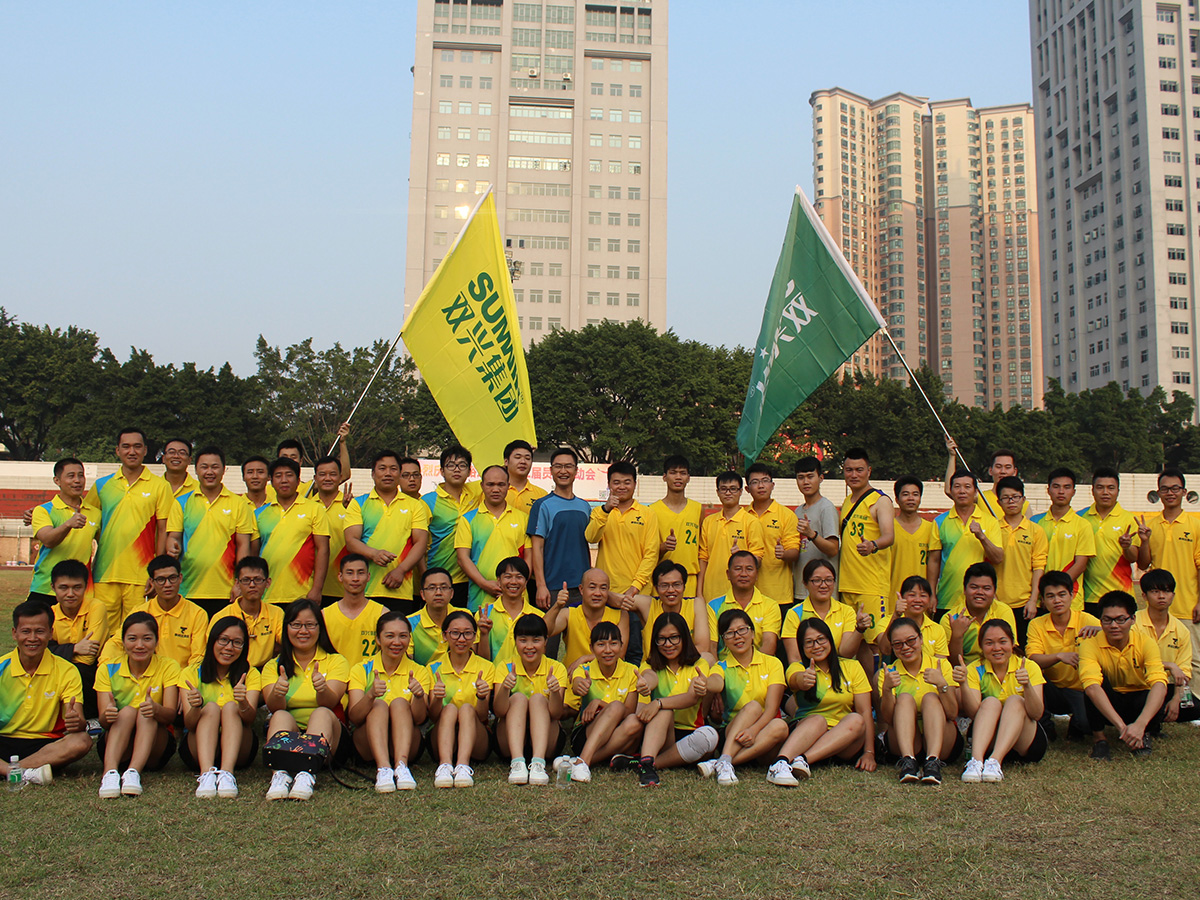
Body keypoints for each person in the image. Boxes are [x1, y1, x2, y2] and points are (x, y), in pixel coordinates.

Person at [85, 428, 177, 635]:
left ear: (145, 450)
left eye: (137, 446)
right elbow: (85, 520)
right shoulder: (101, 486)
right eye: (126, 446)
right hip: (104, 573)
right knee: (102, 633)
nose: (132, 451)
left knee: (138, 633)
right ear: (117, 450)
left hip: (141, 576)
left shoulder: (160, 486)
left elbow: (163, 529)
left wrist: (156, 572)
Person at [260, 599, 350, 800]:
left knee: (321, 712)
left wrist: (322, 689)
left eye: (310, 625)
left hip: (329, 739)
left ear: (320, 628)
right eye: (296, 625)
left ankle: (306, 774)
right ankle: (280, 774)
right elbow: (273, 707)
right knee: (280, 715)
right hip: (291, 735)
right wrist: (277, 692)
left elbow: (330, 703)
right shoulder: (273, 666)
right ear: (286, 628)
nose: (303, 631)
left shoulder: (336, 661)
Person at [0, 601, 91, 787]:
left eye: (40, 631)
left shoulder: (66, 670)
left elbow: (78, 722)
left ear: (50, 633)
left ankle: (12, 771)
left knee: (81, 741)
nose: (32, 638)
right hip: (4, 740)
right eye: (26, 631)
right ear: (14, 633)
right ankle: (23, 772)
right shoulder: (2, 667)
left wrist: (76, 721)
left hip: (45, 745)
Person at [624, 612, 718, 787]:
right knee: (664, 711)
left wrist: (658, 702)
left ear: (684, 638)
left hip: (689, 733)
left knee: (710, 736)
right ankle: (647, 764)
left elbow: (691, 698)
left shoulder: (699, 664)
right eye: (662, 639)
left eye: (674, 638)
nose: (668, 644)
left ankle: (645, 763)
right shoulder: (649, 665)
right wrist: (646, 685)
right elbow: (650, 677)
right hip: (660, 735)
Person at [775, 618, 875, 780]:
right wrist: (804, 679)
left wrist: (869, 752)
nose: (816, 646)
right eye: (809, 642)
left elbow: (865, 711)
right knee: (818, 720)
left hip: (842, 739)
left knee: (857, 719)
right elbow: (795, 679)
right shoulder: (797, 667)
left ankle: (802, 760)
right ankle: (780, 764)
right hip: (807, 734)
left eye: (821, 639)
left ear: (830, 639)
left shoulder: (852, 667)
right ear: (801, 647)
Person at [95, 612, 180, 798]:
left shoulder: (168, 666)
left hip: (155, 747)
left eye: (147, 639)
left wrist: (156, 709)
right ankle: (110, 773)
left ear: (156, 641)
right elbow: (103, 722)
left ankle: (133, 773)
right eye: (132, 639)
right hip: (117, 745)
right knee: (126, 712)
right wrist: (108, 714)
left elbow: (170, 715)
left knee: (145, 712)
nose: (139, 645)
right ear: (123, 642)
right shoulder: (107, 669)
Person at [347, 612, 433, 792]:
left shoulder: (419, 671)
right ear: (378, 639)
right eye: (389, 636)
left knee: (400, 703)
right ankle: (384, 768)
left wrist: (418, 697)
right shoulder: (361, 669)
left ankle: (401, 766)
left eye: (403, 636)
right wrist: (370, 695)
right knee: (378, 704)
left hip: (407, 744)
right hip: (368, 745)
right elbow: (354, 717)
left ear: (409, 639)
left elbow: (419, 719)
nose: (396, 642)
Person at [1079, 591, 1169, 759]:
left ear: (1133, 619)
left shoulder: (1146, 643)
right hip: (1111, 700)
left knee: (1157, 689)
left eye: (1121, 619)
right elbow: (1092, 687)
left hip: (1137, 699)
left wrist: (1140, 724)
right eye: (1107, 620)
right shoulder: (1089, 645)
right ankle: (1100, 739)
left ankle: (1144, 733)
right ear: (1100, 621)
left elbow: (1159, 683)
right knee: (1092, 687)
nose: (1114, 626)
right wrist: (1122, 728)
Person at [179, 617, 260, 799]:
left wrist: (243, 702)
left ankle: (227, 773)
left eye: (237, 642)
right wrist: (196, 707)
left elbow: (250, 719)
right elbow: (189, 724)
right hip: (199, 746)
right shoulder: (191, 672)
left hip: (239, 748)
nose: (229, 647)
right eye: (223, 640)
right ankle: (206, 774)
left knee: (231, 707)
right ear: (212, 641)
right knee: (211, 708)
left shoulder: (250, 674)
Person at [705, 610, 789, 786]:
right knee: (753, 707)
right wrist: (705, 683)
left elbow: (772, 708)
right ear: (724, 640)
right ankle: (726, 758)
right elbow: (715, 681)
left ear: (752, 633)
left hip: (764, 733)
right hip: (733, 733)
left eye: (742, 630)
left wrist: (754, 730)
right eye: (730, 633)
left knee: (780, 726)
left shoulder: (772, 663)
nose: (737, 636)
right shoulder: (721, 666)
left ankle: (723, 762)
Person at [585, 462, 657, 664]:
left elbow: (651, 555)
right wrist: (606, 510)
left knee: (636, 651)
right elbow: (590, 537)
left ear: (635, 484)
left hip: (636, 597)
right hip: (606, 595)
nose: (622, 486)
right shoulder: (600, 513)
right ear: (609, 485)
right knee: (606, 649)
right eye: (616, 482)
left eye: (627, 482)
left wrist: (634, 588)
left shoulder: (647, 514)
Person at [958, 619, 1047, 783]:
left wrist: (1027, 686)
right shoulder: (974, 669)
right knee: (990, 702)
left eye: (1002, 641)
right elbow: (973, 714)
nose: (996, 648)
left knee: (1015, 701)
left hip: (1025, 741)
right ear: (981, 646)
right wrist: (963, 684)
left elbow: (1036, 714)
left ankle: (995, 761)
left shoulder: (1028, 666)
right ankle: (976, 762)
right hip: (988, 739)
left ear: (1012, 643)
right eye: (989, 643)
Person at [1136, 467, 1200, 693]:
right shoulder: (1151, 526)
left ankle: (1193, 704)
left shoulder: (1195, 525)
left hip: (1188, 605)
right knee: (1156, 657)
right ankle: (1159, 700)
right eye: (1165, 489)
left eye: (1175, 488)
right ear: (1158, 492)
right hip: (1157, 606)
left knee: (1194, 660)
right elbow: (1143, 564)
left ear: (1184, 492)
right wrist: (1144, 541)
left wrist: (1199, 601)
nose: (1170, 493)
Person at [176, 445, 257, 617]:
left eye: (215, 467)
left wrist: (239, 583)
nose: (209, 472)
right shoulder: (181, 503)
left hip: (226, 592)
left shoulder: (239, 504)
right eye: (204, 467)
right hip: (188, 589)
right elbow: (173, 539)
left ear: (224, 469)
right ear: (195, 470)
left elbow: (243, 546)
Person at [345, 450, 430, 614]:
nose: (388, 473)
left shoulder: (415, 505)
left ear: (399, 473)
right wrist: (373, 554)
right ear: (373, 473)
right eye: (382, 468)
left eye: (393, 469)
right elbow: (351, 541)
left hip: (401, 588)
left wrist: (401, 570)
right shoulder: (359, 504)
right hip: (365, 589)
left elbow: (420, 542)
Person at [876, 616, 959, 784]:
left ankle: (933, 761)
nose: (905, 647)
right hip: (905, 741)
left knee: (930, 698)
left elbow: (952, 713)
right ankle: (908, 761)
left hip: (942, 739)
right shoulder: (889, 672)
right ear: (892, 647)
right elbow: (889, 719)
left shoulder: (940, 666)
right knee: (904, 699)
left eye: (911, 640)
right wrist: (887, 690)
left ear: (921, 639)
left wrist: (942, 685)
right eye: (898, 644)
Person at [1025, 570, 1101, 741]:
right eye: (1050, 596)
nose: (1057, 600)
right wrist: (1059, 656)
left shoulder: (1087, 620)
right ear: (1043, 601)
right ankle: (1045, 725)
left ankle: (1077, 723)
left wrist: (1102, 630)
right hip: (1051, 689)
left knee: (1087, 725)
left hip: (1081, 689)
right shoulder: (1037, 624)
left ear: (1072, 595)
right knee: (1028, 674)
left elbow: (1121, 636)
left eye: (1062, 594)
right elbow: (1033, 658)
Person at [562, 621, 642, 782]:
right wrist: (581, 686)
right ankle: (584, 760)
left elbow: (629, 711)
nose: (608, 650)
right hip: (586, 732)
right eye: (601, 644)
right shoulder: (584, 670)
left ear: (621, 646)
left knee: (635, 721)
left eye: (613, 644)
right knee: (616, 707)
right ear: (591, 648)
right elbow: (577, 685)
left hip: (619, 732)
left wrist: (600, 703)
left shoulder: (631, 672)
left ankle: (581, 761)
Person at [493, 614, 569, 786]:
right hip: (509, 743)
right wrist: (505, 688)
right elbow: (498, 711)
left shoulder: (556, 668)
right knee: (518, 698)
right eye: (523, 640)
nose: (529, 646)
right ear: (515, 641)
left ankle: (538, 764)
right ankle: (517, 763)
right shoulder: (505, 667)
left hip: (546, 743)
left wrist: (555, 692)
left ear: (545, 641)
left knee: (538, 699)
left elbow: (557, 714)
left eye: (536, 640)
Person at [100, 555, 207, 669]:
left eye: (172, 578)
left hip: (181, 677)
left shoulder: (197, 614)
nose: (167, 584)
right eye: (161, 580)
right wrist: (105, 668)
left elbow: (198, 657)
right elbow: (116, 643)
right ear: (151, 581)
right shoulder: (140, 611)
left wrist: (185, 678)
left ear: (180, 578)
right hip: (147, 676)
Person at [426, 610, 494, 788]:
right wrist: (437, 699)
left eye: (467, 633)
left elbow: (482, 716)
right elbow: (433, 716)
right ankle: (445, 765)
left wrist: (481, 697)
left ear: (475, 636)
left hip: (477, 737)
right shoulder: (433, 668)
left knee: (466, 709)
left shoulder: (486, 668)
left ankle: (463, 765)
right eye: (455, 633)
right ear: (444, 636)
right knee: (449, 709)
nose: (461, 639)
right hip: (441, 736)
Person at [836, 448, 894, 648]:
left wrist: (873, 545)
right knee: (853, 645)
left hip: (871, 586)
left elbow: (889, 536)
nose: (854, 475)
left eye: (859, 470)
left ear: (869, 471)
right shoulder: (846, 501)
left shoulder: (880, 501)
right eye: (849, 470)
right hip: (847, 585)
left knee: (875, 643)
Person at [256, 457, 330, 605]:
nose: (284, 480)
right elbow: (253, 553)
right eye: (278, 476)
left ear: (298, 481)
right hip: (266, 595)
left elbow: (323, 549)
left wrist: (317, 589)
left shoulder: (314, 509)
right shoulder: (259, 513)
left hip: (302, 594)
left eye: (289, 475)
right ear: (271, 481)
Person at [456, 465, 529, 612]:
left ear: (508, 486)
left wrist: (516, 584)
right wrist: (484, 584)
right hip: (480, 599)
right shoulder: (468, 519)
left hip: (517, 600)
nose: (496, 489)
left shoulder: (523, 518)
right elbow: (462, 558)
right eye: (490, 484)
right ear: (482, 486)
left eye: (501, 484)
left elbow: (528, 557)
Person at [527, 447, 592, 612]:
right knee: (551, 629)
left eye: (568, 466)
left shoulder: (585, 506)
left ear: (576, 471)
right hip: (553, 586)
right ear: (551, 470)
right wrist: (541, 585)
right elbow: (537, 548)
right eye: (558, 466)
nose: (563, 471)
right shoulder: (542, 505)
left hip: (582, 586)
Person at [28, 457, 99, 605]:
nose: (77, 480)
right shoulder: (43, 510)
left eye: (81, 475)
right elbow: (48, 540)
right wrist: (68, 524)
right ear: (57, 480)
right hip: (45, 588)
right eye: (71, 476)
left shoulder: (95, 513)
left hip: (79, 591)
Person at [934, 471, 1004, 616]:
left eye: (967, 487)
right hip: (947, 598)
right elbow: (934, 561)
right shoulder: (940, 522)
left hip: (979, 601)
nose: (962, 491)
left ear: (975, 491)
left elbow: (998, 558)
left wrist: (982, 537)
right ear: (951, 491)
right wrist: (931, 593)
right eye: (957, 487)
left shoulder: (990, 521)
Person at [422, 445, 483, 609]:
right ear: (442, 471)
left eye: (462, 465)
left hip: (471, 577)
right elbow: (419, 543)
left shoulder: (477, 492)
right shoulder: (427, 501)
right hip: (440, 577)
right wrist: (424, 577)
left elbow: (499, 475)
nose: (457, 470)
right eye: (451, 465)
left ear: (469, 471)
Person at [476, 556, 566, 666]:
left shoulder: (537, 616)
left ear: (526, 582)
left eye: (519, 577)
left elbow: (542, 649)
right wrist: (484, 634)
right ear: (498, 581)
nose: (513, 582)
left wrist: (558, 605)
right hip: (494, 676)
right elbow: (481, 662)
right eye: (508, 577)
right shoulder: (484, 615)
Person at [1136, 568, 1199, 724]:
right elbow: (1132, 660)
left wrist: (1177, 699)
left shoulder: (1181, 630)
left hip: (1165, 686)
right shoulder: (1134, 623)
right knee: (1144, 703)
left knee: (1196, 707)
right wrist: (1169, 665)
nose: (1162, 596)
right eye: (1155, 591)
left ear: (1173, 595)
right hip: (1136, 686)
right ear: (1144, 596)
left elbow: (1184, 670)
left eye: (1167, 591)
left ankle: (1160, 715)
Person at [46, 559, 107, 719]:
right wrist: (74, 649)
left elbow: (88, 657)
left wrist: (59, 652)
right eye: (63, 588)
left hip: (91, 671)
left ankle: (90, 718)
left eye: (77, 587)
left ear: (86, 586)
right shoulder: (50, 614)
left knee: (80, 671)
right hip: (59, 670)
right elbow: (42, 653)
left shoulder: (96, 607)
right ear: (53, 587)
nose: (70, 594)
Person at [1031, 468, 1096, 610]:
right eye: (1056, 487)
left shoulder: (1083, 525)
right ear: (1048, 490)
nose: (1061, 492)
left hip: (1071, 599)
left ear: (1073, 491)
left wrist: (1054, 593)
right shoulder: (1035, 522)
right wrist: (1042, 594)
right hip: (1038, 600)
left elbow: (1080, 565)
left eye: (1067, 487)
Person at [1079, 469, 1139, 618]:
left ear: (1118, 491)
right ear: (1092, 490)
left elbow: (1133, 558)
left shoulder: (1129, 520)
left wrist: (1127, 547)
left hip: (1121, 595)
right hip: (1088, 597)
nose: (1105, 492)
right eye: (1100, 487)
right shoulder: (1081, 518)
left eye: (1111, 488)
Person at [993, 476, 1047, 645]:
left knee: (1026, 650)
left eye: (1015, 497)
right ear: (999, 502)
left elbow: (1038, 567)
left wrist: (1033, 600)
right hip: (997, 603)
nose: (1011, 501)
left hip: (1025, 605)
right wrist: (993, 598)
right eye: (1006, 498)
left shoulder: (1036, 531)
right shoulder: (992, 529)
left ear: (1023, 500)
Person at [697, 471, 765, 603]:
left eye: (733, 489)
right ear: (717, 492)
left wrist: (742, 556)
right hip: (711, 593)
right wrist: (699, 592)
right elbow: (703, 559)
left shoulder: (751, 522)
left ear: (741, 492)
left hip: (740, 595)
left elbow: (758, 559)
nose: (728, 493)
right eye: (724, 489)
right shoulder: (709, 522)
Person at [781, 559, 863, 663]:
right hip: (808, 671)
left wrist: (860, 629)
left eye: (829, 580)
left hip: (839, 669)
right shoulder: (794, 614)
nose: (823, 585)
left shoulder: (847, 611)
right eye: (817, 580)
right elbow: (795, 659)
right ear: (805, 583)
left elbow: (845, 653)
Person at [627, 561, 710, 661]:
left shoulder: (695, 604)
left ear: (684, 586)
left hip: (686, 665)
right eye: (664, 585)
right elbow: (618, 600)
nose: (671, 590)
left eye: (676, 584)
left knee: (708, 658)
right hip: (655, 667)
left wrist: (673, 664)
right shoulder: (648, 605)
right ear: (656, 588)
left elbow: (702, 648)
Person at [744, 463, 801, 612]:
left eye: (765, 481)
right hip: (747, 594)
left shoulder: (786, 515)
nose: (761, 486)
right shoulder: (742, 516)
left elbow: (795, 552)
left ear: (772, 485)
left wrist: (784, 554)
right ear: (747, 489)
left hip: (779, 595)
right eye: (755, 482)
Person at [208, 556, 282, 668]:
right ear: (237, 583)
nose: (252, 585)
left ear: (268, 583)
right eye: (246, 580)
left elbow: (289, 641)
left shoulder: (276, 613)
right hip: (231, 670)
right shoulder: (221, 616)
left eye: (258, 580)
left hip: (264, 671)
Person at [707, 551, 782, 657]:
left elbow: (769, 645)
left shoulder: (770, 605)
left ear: (757, 574)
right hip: (724, 665)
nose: (743, 574)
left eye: (749, 569)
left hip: (760, 665)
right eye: (738, 569)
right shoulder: (713, 606)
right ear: (728, 574)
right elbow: (712, 647)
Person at [943, 562, 1017, 668]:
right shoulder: (950, 618)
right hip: (964, 672)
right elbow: (953, 664)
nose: (980, 592)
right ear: (964, 589)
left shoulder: (1003, 611)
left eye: (986, 588)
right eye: (974, 587)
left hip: (997, 669)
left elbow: (1009, 652)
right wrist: (957, 635)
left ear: (994, 591)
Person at [649, 455, 703, 598]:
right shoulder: (652, 510)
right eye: (673, 472)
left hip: (690, 579)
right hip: (663, 580)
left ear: (688, 478)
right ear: (664, 477)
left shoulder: (698, 509)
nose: (678, 477)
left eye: (682, 473)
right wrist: (663, 547)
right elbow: (646, 551)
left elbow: (702, 550)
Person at [322, 554, 387, 666]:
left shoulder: (382, 614)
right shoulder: (324, 615)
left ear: (368, 576)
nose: (355, 578)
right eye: (349, 573)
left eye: (360, 573)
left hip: (370, 676)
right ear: (340, 576)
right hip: (335, 676)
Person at [313, 454, 360, 606]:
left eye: (332, 474)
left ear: (340, 477)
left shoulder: (352, 505)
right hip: (310, 586)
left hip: (342, 586)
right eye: (322, 474)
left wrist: (349, 509)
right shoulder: (306, 506)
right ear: (315, 478)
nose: (327, 478)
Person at [889, 475, 941, 609]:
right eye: (905, 494)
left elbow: (934, 563)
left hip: (921, 600)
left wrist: (932, 594)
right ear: (897, 499)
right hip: (893, 597)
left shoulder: (931, 528)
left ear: (920, 498)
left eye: (915, 494)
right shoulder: (888, 528)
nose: (911, 498)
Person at [793, 457, 840, 602]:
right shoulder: (797, 511)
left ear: (820, 478)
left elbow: (833, 549)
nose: (806, 482)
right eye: (801, 477)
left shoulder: (826, 508)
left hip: (823, 592)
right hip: (801, 589)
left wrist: (811, 534)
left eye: (810, 476)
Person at [943, 441, 1027, 520]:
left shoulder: (1023, 504)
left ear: (1015, 472)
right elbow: (949, 490)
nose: (1003, 471)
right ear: (990, 470)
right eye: (998, 467)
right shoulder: (980, 497)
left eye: (1007, 467)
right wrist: (952, 456)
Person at [563, 568, 628, 670]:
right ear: (581, 589)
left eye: (603, 588)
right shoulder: (569, 613)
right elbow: (545, 630)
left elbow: (619, 653)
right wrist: (557, 606)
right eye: (592, 587)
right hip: (574, 676)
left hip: (610, 678)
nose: (597, 593)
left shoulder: (620, 615)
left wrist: (585, 658)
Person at [875, 576, 949, 660]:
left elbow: (941, 663)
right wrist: (896, 616)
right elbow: (885, 650)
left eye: (923, 595)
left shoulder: (937, 629)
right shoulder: (884, 622)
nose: (918, 600)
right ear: (901, 597)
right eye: (912, 595)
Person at [407, 567, 456, 665]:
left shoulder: (463, 616)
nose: (438, 593)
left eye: (444, 587)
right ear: (422, 594)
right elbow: (408, 662)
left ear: (451, 593)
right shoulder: (409, 623)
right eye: (432, 588)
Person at [504, 439, 547, 515]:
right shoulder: (492, 491)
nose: (523, 462)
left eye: (527, 458)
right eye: (518, 457)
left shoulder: (542, 495)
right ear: (506, 462)